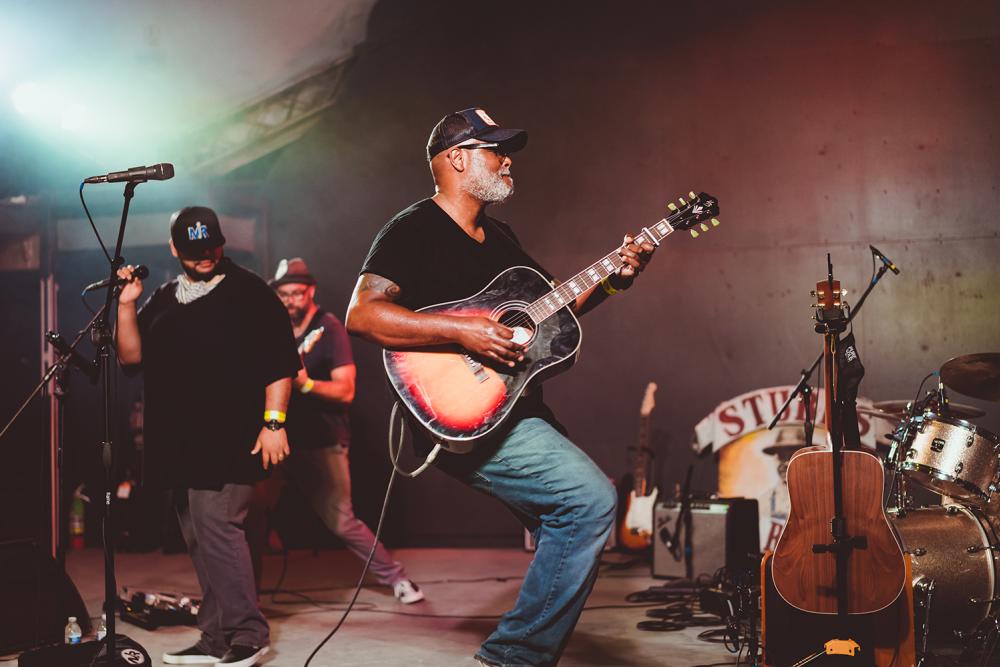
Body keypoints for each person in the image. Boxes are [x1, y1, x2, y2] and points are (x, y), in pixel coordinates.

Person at [345, 107, 656, 667]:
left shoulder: (500, 237)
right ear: (457, 159)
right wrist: (462, 329)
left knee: (569, 517)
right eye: (494, 149)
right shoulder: (411, 228)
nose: (507, 160)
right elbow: (363, 316)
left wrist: (616, 277)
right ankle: (513, 658)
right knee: (587, 502)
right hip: (458, 412)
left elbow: (555, 310)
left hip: (512, 409)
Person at [115, 206, 300, 667]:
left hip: (233, 437)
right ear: (175, 249)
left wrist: (274, 422)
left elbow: (281, 363)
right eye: (194, 250)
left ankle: (247, 633)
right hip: (178, 444)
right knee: (198, 536)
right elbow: (131, 357)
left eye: (212, 247)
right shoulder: (163, 296)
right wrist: (125, 304)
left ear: (222, 243)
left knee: (218, 528)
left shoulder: (249, 291)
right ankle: (215, 635)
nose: (205, 256)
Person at [245, 257, 424, 604]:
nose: (290, 300)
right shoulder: (275, 328)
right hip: (277, 436)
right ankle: (244, 592)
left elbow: (346, 391)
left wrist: (306, 385)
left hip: (322, 440)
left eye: (297, 293)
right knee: (250, 511)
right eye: (283, 294)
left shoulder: (328, 328)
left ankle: (397, 579)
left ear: (310, 291)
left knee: (342, 521)